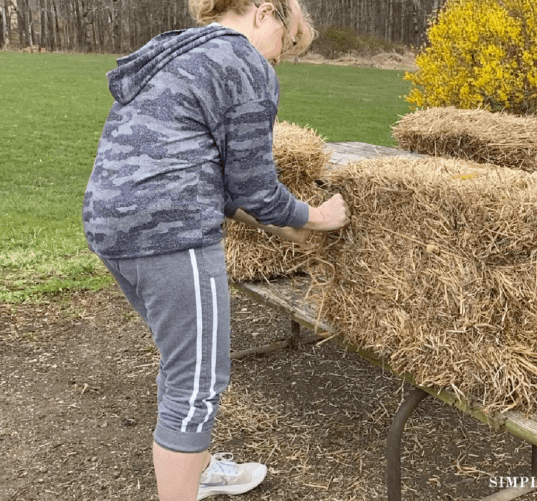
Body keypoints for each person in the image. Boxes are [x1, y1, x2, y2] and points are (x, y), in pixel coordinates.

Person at [81, 1, 349, 500]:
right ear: (266, 12)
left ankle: (196, 468)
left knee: (185, 362)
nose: (278, 60)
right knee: (196, 382)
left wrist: (281, 226)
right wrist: (318, 217)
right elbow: (255, 187)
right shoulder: (242, 61)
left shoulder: (178, 51)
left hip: (112, 226)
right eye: (287, 44)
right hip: (171, 234)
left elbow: (209, 176)